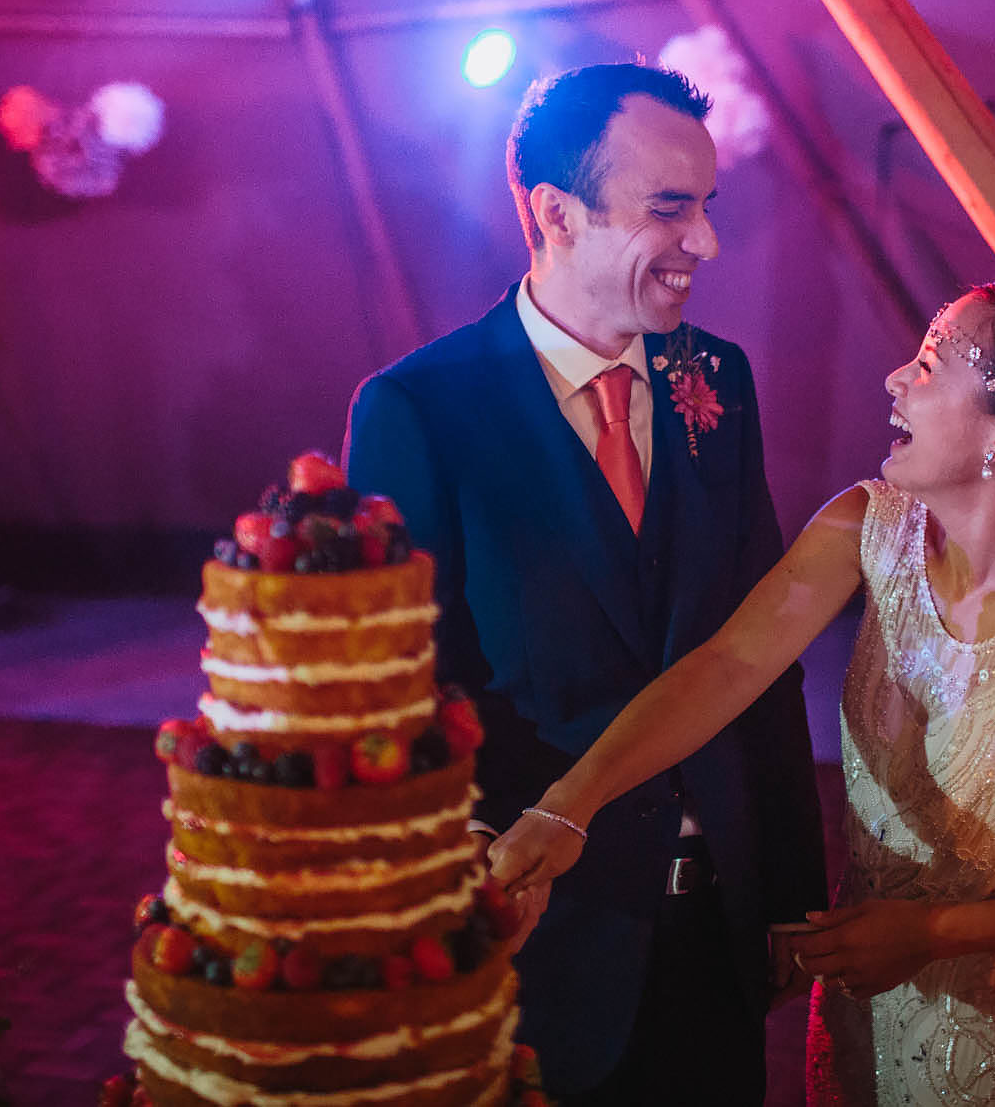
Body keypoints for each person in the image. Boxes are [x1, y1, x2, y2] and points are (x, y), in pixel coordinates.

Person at [491, 283, 995, 1106]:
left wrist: (931, 933)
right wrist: (569, 802)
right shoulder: (864, 526)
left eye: (928, 364)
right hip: (859, 991)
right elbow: (726, 668)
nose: (893, 379)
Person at [342, 62, 828, 1104]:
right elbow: (400, 685)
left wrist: (787, 885)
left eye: (706, 207)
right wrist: (471, 870)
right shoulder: (421, 409)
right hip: (541, 935)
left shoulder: (717, 380)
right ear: (554, 213)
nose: (702, 242)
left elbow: (760, 648)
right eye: (667, 209)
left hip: (717, 916)